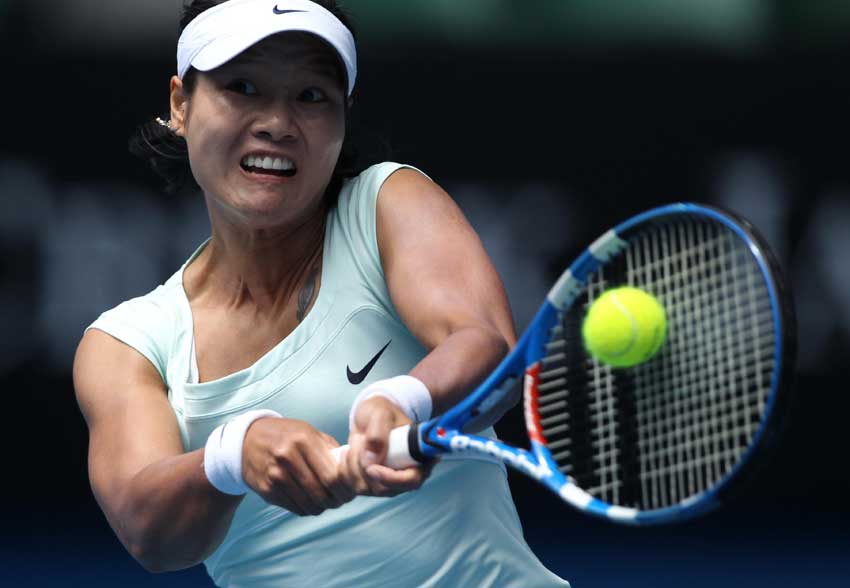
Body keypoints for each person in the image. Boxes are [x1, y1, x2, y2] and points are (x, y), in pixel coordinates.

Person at [73, 1, 570, 586]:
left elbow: (484, 343)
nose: (277, 123)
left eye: (311, 96)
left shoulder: (387, 204)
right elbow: (148, 529)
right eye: (244, 87)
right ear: (180, 104)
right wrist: (233, 455)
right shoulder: (129, 343)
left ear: (343, 117)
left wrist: (402, 400)